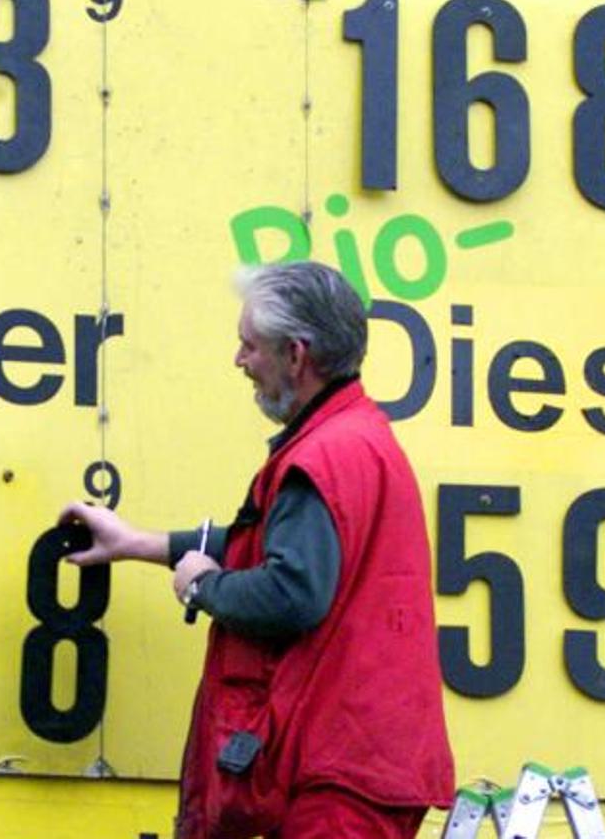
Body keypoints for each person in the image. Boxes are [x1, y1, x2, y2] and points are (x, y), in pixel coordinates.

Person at [60, 262, 454, 839]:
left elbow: (293, 591)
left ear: (296, 355)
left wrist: (202, 586)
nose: (239, 361)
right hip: (362, 762)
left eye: (249, 346)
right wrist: (140, 544)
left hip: (336, 772)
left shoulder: (318, 459)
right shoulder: (357, 438)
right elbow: (273, 544)